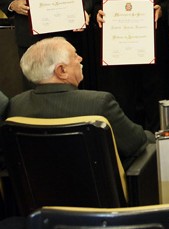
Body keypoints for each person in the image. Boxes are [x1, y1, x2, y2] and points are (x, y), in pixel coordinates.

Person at [8, 37, 154, 167]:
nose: (80, 58)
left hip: (36, 194)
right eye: (75, 56)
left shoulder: (16, 106)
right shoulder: (98, 103)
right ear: (61, 70)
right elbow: (135, 143)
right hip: (99, 194)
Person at [94, 0, 169, 132]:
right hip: (120, 51)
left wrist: (161, 10)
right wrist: (97, 12)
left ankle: (156, 140)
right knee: (124, 97)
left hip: (153, 47)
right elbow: (97, 3)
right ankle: (129, 140)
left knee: (153, 95)